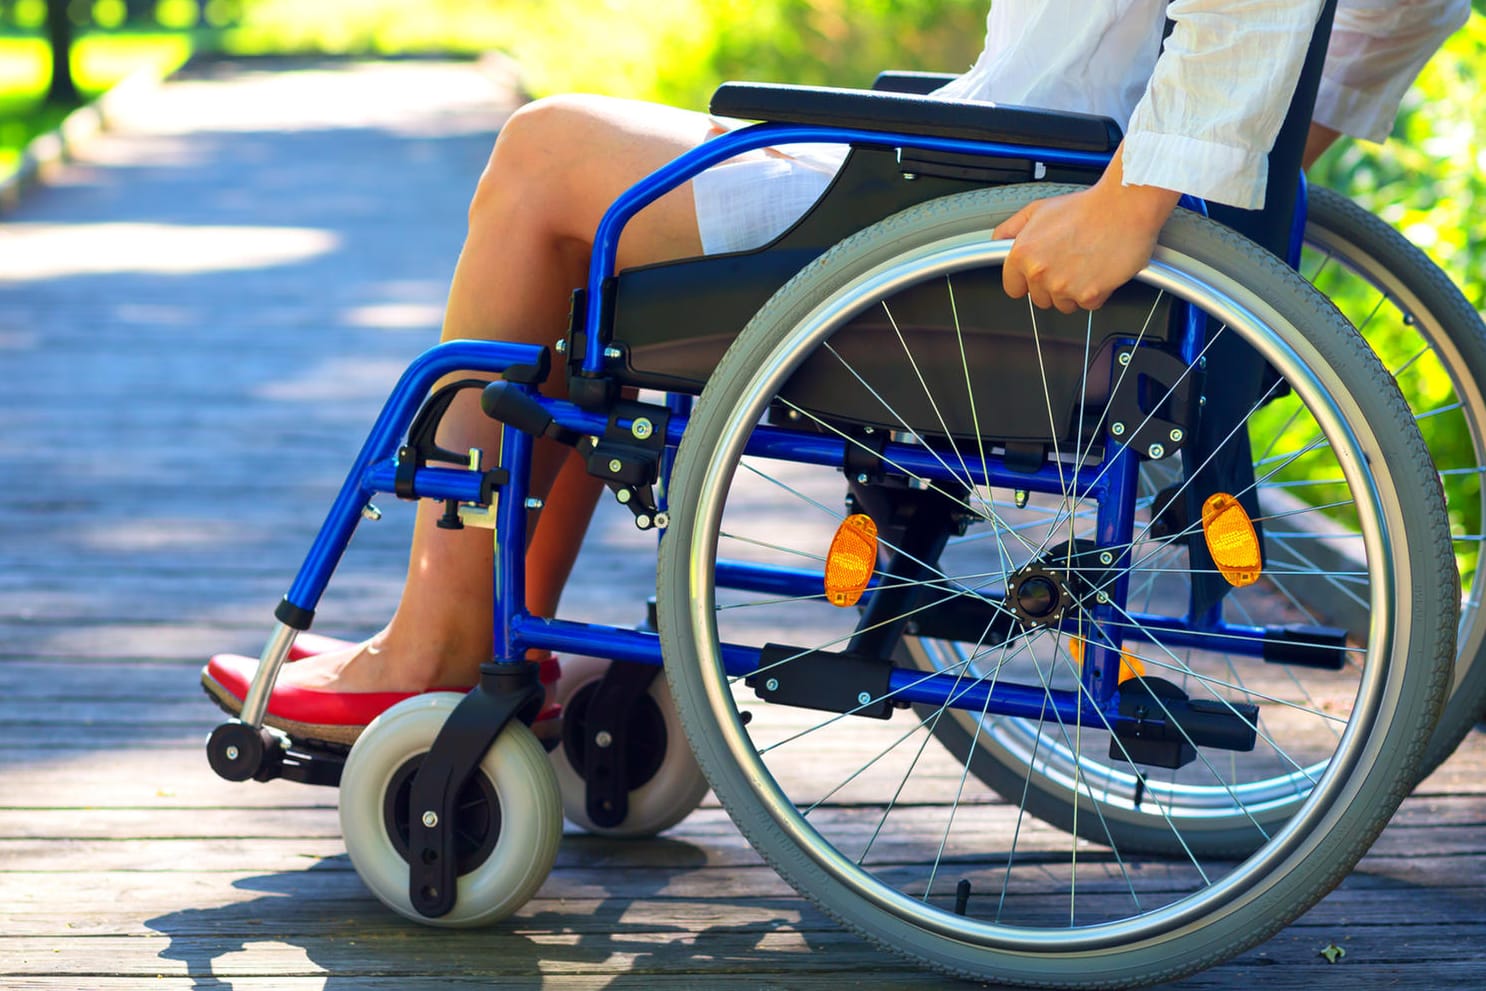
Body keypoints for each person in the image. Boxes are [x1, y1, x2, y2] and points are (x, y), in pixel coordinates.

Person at [202, 0, 1471, 745]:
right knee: (586, 217)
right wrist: (1227, 169)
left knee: (543, 158)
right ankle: (485, 643)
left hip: (980, 211)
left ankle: (442, 636)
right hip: (995, 174)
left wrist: (1146, 192)